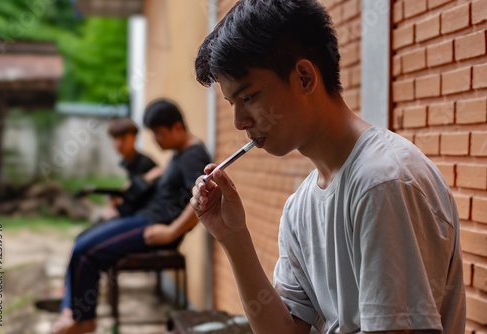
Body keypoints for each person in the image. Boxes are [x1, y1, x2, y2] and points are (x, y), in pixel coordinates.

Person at [191, 1, 465, 334]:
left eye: (248, 97)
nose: (239, 122)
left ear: (304, 77)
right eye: (232, 103)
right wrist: (234, 237)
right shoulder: (301, 205)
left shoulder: (383, 182)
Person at [52, 99, 211, 334]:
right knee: (81, 241)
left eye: (159, 134)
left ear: (177, 127)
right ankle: (72, 310)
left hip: (153, 226)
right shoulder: (179, 153)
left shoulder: (193, 155)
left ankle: (83, 319)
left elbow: (201, 199)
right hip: (144, 217)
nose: (156, 141)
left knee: (85, 251)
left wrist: (171, 232)